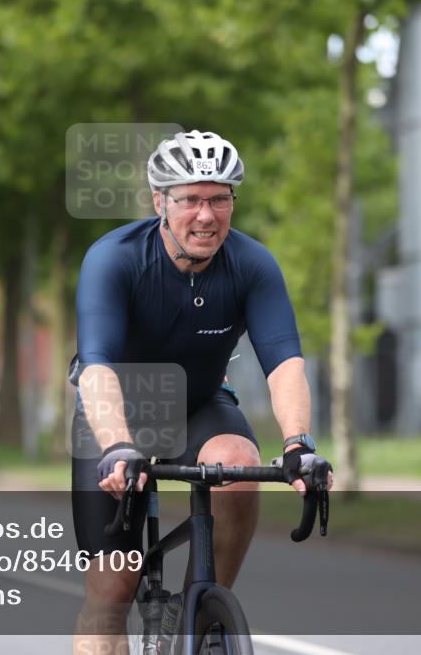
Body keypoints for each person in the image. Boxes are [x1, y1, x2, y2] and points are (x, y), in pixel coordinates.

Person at [70, 130, 333, 653]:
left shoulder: (253, 265)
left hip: (200, 404)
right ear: (160, 202)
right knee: (111, 594)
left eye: (219, 199)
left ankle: (200, 617)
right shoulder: (114, 259)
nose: (206, 216)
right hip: (115, 412)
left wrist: (298, 444)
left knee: (238, 466)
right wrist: (119, 447)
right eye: (190, 200)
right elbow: (95, 368)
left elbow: (284, 363)